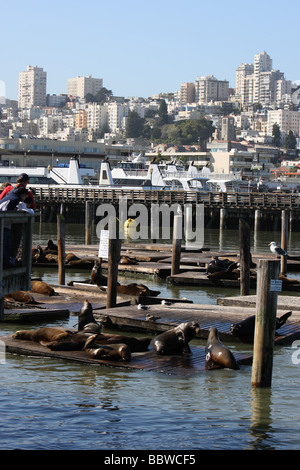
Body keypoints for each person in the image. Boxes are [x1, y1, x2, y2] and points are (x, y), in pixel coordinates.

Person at [0, 187, 32, 267]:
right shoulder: (16, 199)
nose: (26, 198)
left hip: (4, 223)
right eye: (25, 196)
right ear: (22, 195)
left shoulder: (9, 196)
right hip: (4, 224)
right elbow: (24, 210)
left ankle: (5, 263)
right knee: (5, 245)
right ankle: (5, 264)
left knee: (4, 245)